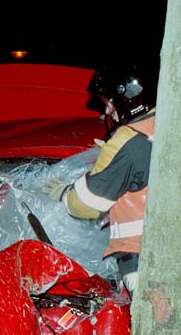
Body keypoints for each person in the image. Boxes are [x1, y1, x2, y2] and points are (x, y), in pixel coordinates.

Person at [44, 65, 156, 294]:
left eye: (109, 102)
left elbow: (86, 204)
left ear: (126, 99)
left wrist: (65, 193)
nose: (106, 112)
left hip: (143, 260)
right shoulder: (166, 127)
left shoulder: (129, 138)